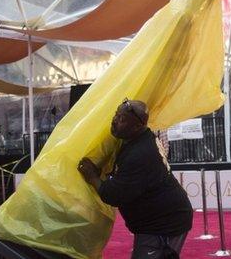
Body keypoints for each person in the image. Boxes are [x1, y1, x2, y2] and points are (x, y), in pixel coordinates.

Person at [77, 99, 192, 259]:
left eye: (122, 119)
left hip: (163, 223)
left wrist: (92, 176)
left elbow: (113, 195)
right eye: (116, 115)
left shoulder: (140, 153)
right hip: (162, 219)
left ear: (137, 126)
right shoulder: (140, 139)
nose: (115, 121)